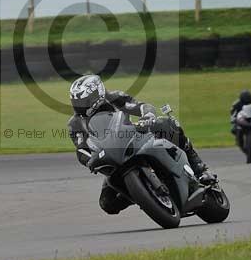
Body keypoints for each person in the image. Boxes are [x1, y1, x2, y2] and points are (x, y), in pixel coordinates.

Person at [67, 74, 215, 215]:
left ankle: (200, 168)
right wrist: (90, 161)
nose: (80, 106)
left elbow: (141, 106)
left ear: (97, 93)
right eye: (76, 102)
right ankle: (143, 194)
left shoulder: (114, 98)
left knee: (168, 124)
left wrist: (147, 116)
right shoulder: (75, 124)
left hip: (134, 137)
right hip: (113, 158)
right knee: (107, 203)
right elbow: (81, 149)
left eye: (83, 101)